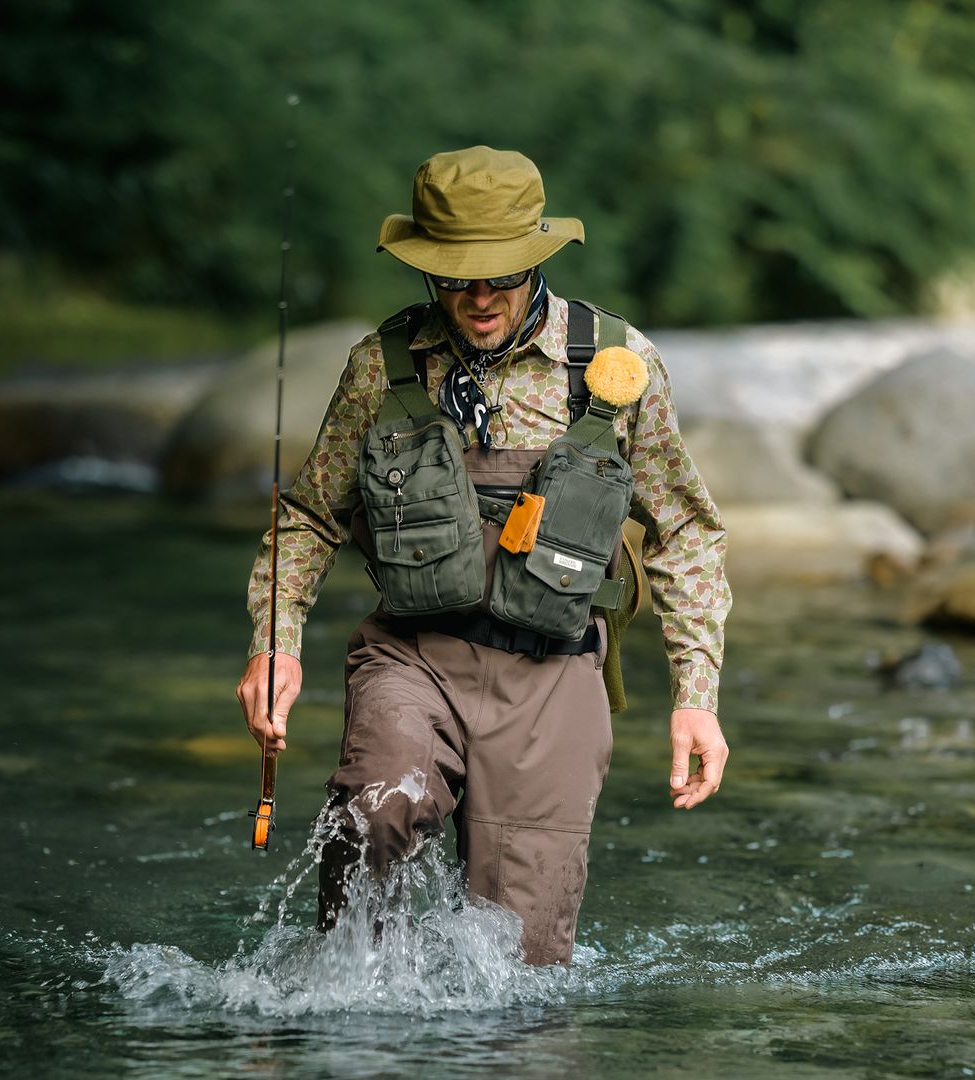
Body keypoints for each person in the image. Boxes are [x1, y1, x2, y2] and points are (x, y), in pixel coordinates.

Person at [236, 146, 731, 965]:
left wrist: (697, 695)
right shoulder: (380, 367)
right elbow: (309, 517)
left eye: (500, 275)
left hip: (554, 672)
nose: (479, 296)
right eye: (456, 275)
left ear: (535, 260)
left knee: (521, 966)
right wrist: (275, 642)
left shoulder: (616, 365)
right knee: (375, 812)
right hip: (414, 656)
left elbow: (687, 531)